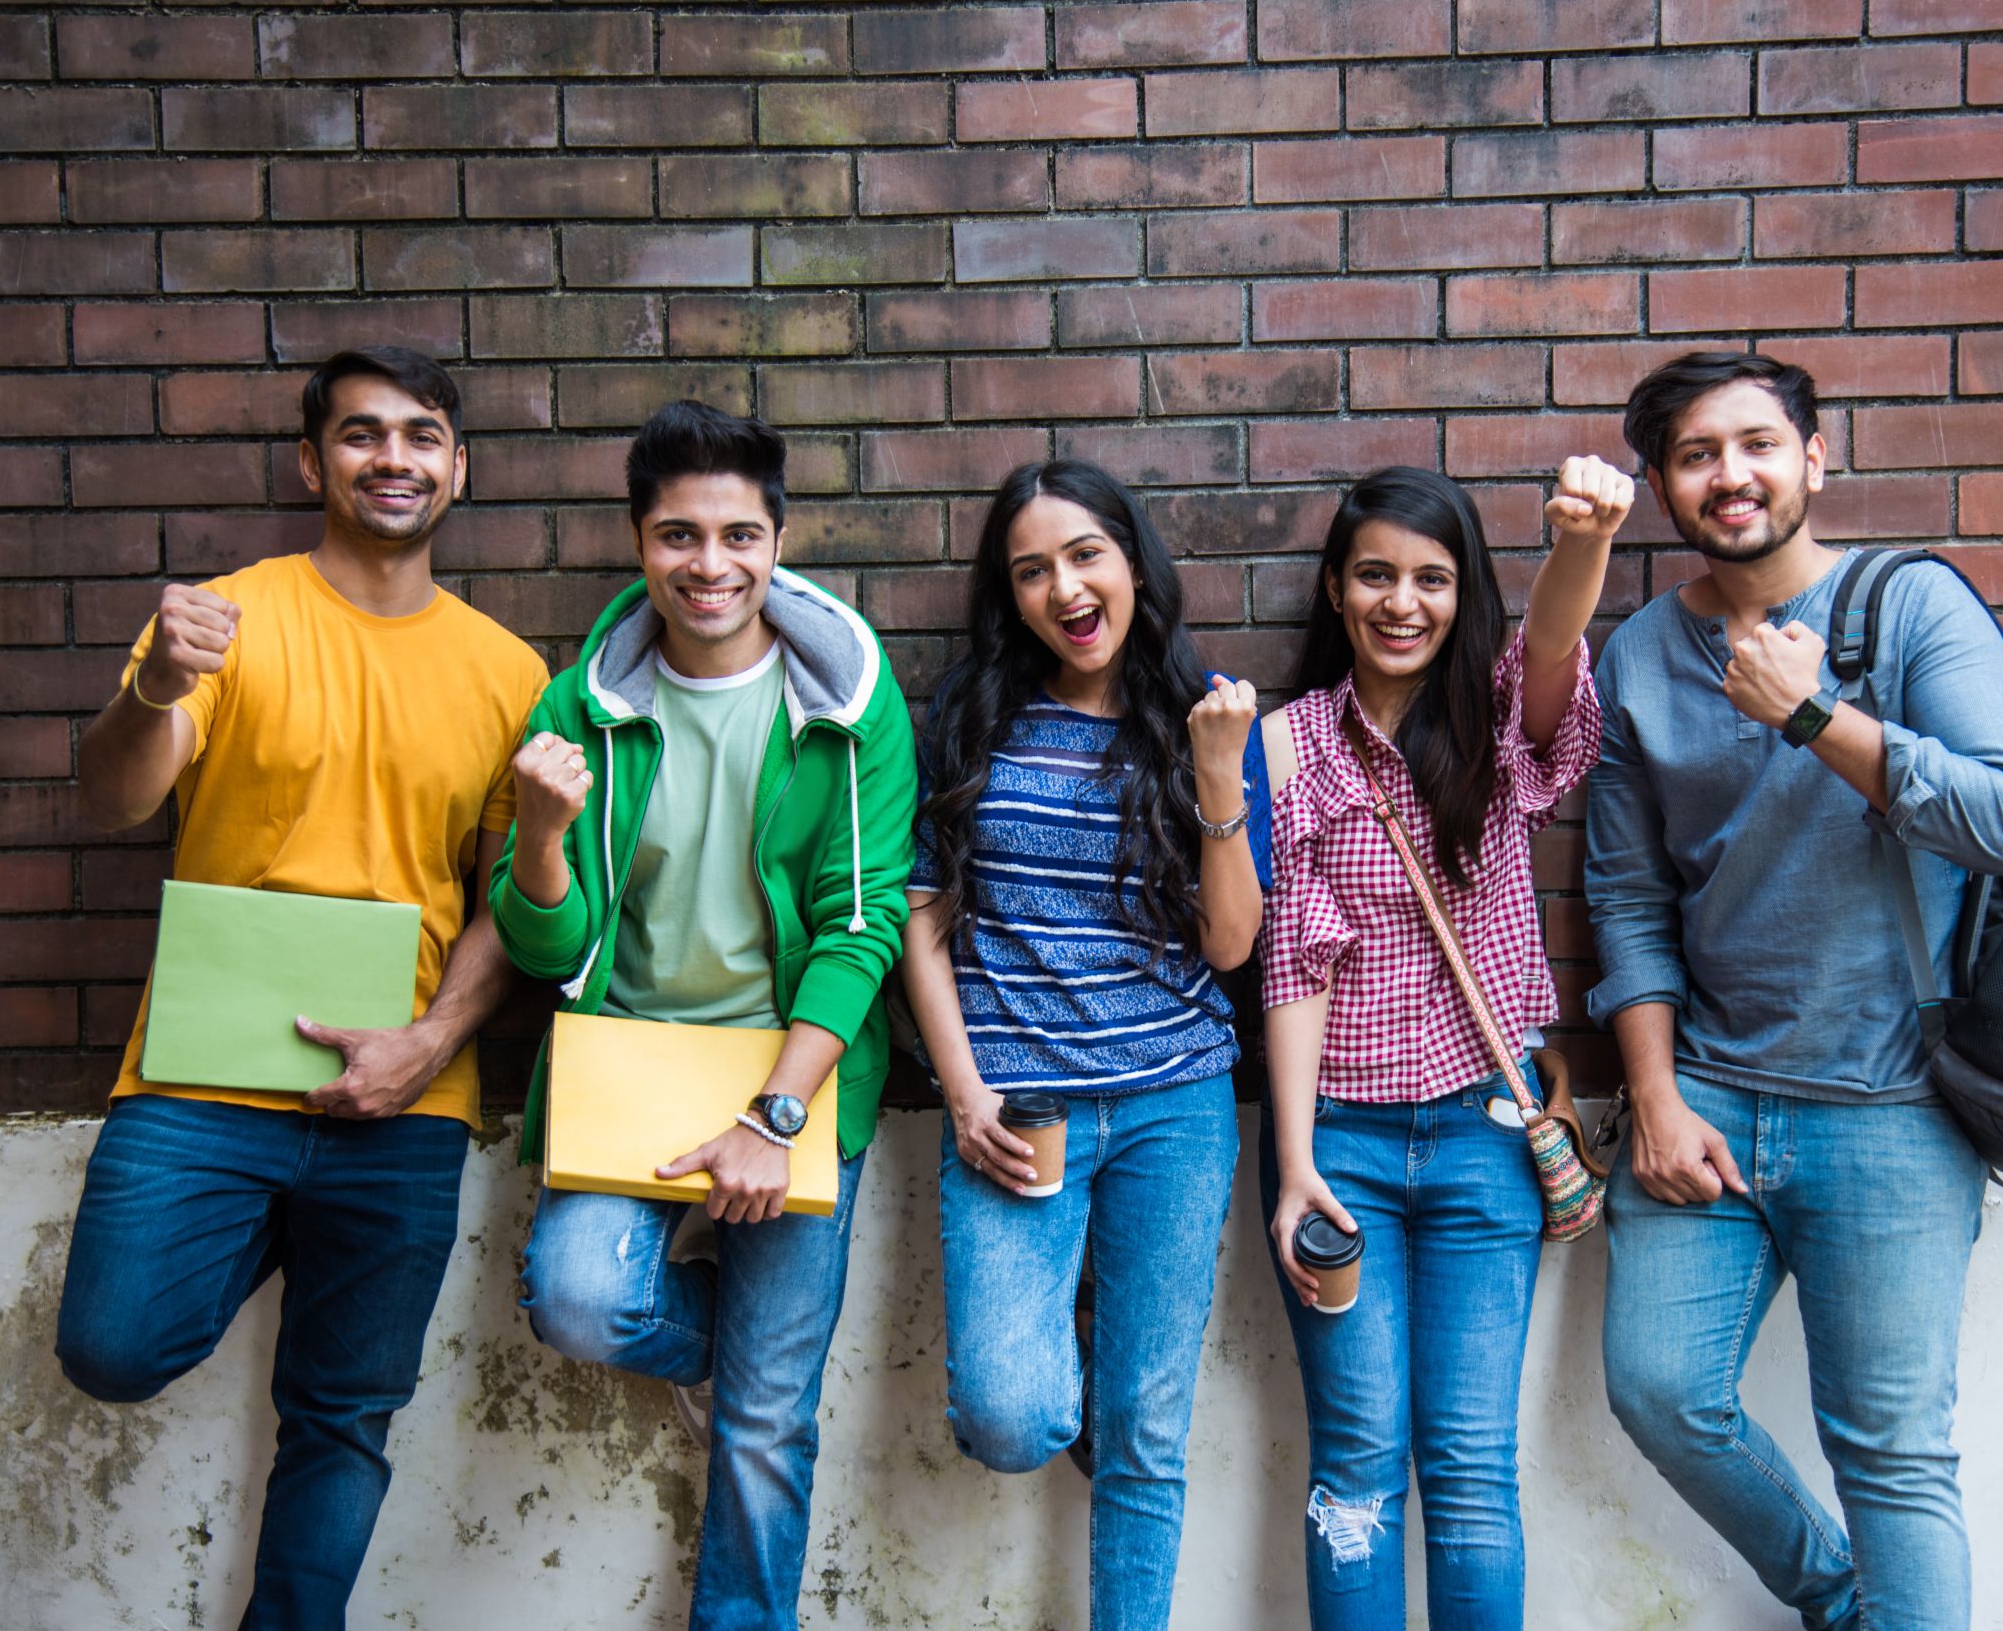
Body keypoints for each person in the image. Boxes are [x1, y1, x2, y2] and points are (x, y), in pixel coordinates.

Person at [55, 346, 549, 1629]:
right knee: (111, 1347)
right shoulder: (221, 621)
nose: (395, 459)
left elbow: (511, 903)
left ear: (459, 468)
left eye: (423, 436)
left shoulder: (508, 671)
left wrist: (433, 1039)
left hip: (404, 1099)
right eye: (362, 435)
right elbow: (114, 798)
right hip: (204, 1083)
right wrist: (158, 686)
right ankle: (272, 1218)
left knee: (344, 1417)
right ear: (310, 461)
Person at [1587, 352, 2003, 1631]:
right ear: (1665, 487)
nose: (1729, 475)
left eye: (1756, 444)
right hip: (1713, 1102)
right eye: (1694, 455)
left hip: (1894, 1109)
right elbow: (1627, 900)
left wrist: (1815, 718)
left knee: (1892, 1456)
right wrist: (1656, 1096)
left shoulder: (1914, 611)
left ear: (1815, 459)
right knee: (1660, 1388)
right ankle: (1845, 1600)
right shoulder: (1639, 657)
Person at [492, 400, 916, 1631]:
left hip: (792, 1073)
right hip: (627, 1066)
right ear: (639, 543)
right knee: (578, 1300)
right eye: (680, 535)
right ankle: (734, 1359)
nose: (710, 565)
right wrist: (537, 837)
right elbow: (551, 948)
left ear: (779, 542)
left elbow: (863, 923)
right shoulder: (579, 710)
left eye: (739, 535)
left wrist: (774, 1115)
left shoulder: (848, 700)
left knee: (770, 1427)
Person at [1258, 460, 1630, 1630]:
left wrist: (1581, 540)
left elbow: (1556, 643)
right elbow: (1290, 960)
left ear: (1466, 594)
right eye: (1375, 575)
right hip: (1342, 1151)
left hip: (1484, 1139)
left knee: (1470, 1471)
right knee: (1357, 1467)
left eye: (1433, 578)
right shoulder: (1285, 747)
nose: (1402, 602)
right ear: (1334, 590)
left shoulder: (1498, 732)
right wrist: (1297, 1156)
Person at [900, 460, 1270, 1631]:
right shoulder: (972, 714)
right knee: (1010, 1414)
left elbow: (1228, 946)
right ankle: (1078, 1344)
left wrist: (1219, 780)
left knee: (1149, 1439)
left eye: (1085, 555)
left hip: (1176, 1105)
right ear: (1009, 597)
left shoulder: (1209, 713)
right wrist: (963, 1094)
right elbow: (922, 916)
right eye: (1031, 570)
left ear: (1131, 563)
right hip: (1019, 1115)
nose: (1064, 586)